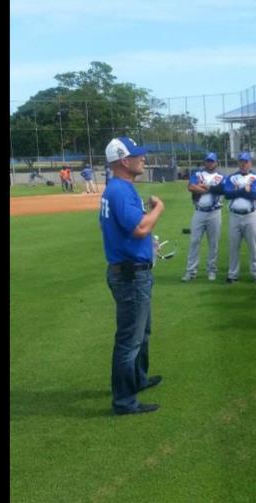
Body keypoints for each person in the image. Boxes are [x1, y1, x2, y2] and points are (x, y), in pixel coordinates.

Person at [100, 136, 165, 415]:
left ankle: (137, 379)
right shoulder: (120, 190)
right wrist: (158, 208)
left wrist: (147, 247)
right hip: (130, 276)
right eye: (138, 155)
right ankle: (124, 401)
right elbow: (139, 228)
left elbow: (128, 233)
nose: (143, 159)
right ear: (124, 161)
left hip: (131, 271)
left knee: (142, 332)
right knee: (129, 340)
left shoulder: (119, 188)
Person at [216, 152, 256, 284]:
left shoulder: (255, 177)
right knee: (233, 246)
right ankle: (232, 274)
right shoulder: (231, 177)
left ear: (250, 163)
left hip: (251, 215)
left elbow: (255, 195)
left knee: (254, 246)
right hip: (235, 215)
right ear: (238, 163)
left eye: (246, 162)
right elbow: (227, 194)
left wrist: (238, 191)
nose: (244, 164)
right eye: (241, 162)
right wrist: (244, 190)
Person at [182, 153, 224, 282]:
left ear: (216, 162)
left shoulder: (221, 177)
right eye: (208, 161)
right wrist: (210, 189)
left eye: (212, 161)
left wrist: (203, 187)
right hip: (199, 212)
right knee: (194, 241)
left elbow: (222, 189)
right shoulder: (198, 174)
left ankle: (211, 270)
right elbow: (191, 187)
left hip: (215, 212)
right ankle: (191, 271)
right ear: (204, 162)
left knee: (213, 243)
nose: (210, 163)